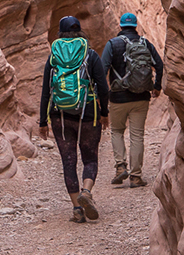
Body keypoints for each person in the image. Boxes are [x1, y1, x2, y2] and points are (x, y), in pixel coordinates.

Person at [38, 16, 110, 223]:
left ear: (59, 33)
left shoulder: (53, 58)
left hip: (59, 115)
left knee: (68, 162)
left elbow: (45, 91)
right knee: (90, 158)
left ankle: (77, 209)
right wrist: (104, 112)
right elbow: (103, 88)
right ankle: (86, 192)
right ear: (80, 31)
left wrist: (43, 121)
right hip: (88, 114)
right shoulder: (90, 55)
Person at [100, 12, 163, 188]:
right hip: (141, 98)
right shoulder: (145, 43)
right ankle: (136, 176)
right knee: (137, 136)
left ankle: (120, 167)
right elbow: (159, 64)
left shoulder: (113, 44)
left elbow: (102, 69)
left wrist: (103, 97)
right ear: (135, 26)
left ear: (120, 26)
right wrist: (156, 87)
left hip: (118, 98)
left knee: (117, 131)